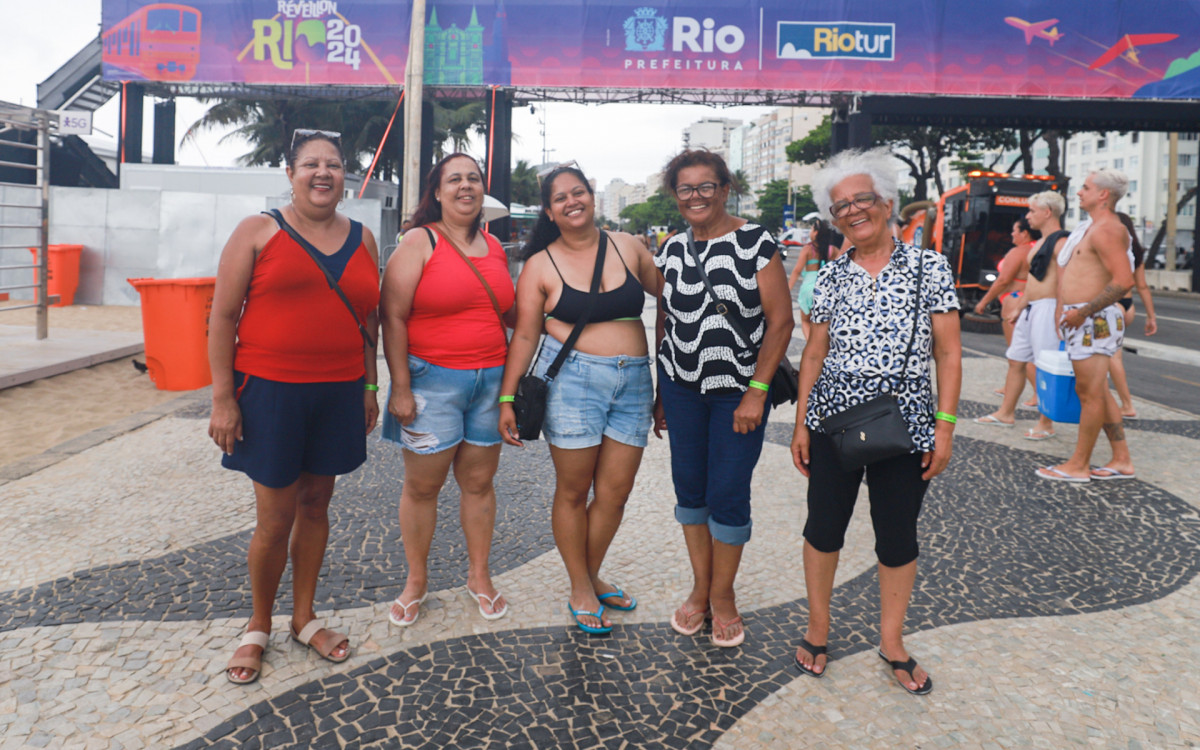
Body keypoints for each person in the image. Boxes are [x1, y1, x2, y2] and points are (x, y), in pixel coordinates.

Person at [209, 129, 380, 684]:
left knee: (315, 505)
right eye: (311, 164)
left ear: (345, 175)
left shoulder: (364, 237)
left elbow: (370, 321)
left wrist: (369, 385)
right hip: (271, 393)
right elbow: (223, 316)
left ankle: (303, 618)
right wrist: (223, 398)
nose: (323, 173)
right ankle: (258, 624)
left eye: (333, 164)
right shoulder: (258, 230)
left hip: (337, 391)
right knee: (274, 517)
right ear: (290, 173)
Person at [791, 147, 962, 694]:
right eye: (841, 206)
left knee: (897, 536)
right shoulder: (831, 276)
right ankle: (819, 628)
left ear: (886, 202)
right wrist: (800, 423)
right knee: (823, 528)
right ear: (833, 217)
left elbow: (950, 353)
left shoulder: (928, 266)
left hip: (905, 425)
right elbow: (814, 352)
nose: (853, 210)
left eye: (862, 198)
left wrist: (946, 426)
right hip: (831, 423)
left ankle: (893, 641)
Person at [498, 164, 659, 634]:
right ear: (549, 210)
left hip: (635, 382)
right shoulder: (541, 265)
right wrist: (507, 397)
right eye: (561, 197)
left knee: (616, 491)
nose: (573, 201)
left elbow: (674, 296)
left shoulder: (629, 246)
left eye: (579, 191)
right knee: (573, 491)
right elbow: (526, 334)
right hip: (573, 383)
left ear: (592, 196)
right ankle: (580, 585)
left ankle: (590, 571)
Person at [653, 149, 794, 648]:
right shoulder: (670, 250)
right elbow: (665, 319)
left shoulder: (756, 241)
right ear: (676, 194)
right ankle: (700, 588)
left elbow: (781, 321)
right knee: (690, 489)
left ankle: (724, 595)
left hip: (738, 391)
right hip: (682, 387)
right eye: (686, 188)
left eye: (706, 186)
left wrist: (757, 392)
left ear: (724, 188)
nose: (696, 197)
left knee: (729, 490)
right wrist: (660, 392)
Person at [379, 153, 513, 627]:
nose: (465, 187)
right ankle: (416, 580)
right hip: (431, 382)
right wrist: (400, 387)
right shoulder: (419, 241)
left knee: (479, 484)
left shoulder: (494, 247)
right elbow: (391, 314)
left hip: (490, 383)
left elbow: (508, 310)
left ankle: (479, 575)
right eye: (454, 179)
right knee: (422, 487)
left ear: (483, 190)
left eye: (473, 179)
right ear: (437, 191)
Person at [1037, 169, 1135, 482]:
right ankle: (1121, 459)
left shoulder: (1106, 229)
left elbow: (1124, 280)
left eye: (1086, 187)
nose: (1079, 192)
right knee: (1097, 393)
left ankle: (1079, 465)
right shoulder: (1093, 228)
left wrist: (1083, 312)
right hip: (1086, 318)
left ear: (1103, 195)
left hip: (1094, 319)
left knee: (1089, 393)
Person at [975, 191, 1067, 440]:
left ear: (1047, 212)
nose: (1028, 216)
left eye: (1032, 211)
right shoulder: (1039, 244)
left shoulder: (1061, 243)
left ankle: (1045, 423)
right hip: (1031, 306)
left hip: (1048, 308)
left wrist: (1060, 311)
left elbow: (1064, 282)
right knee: (1016, 360)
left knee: (1043, 365)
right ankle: (1006, 413)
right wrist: (1020, 306)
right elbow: (1035, 280)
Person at [1109, 213, 1158, 419]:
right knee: (1109, 355)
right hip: (1128, 306)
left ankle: (1127, 404)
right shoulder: (1135, 253)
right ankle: (1112, 401)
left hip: (1112, 304)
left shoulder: (1109, 250)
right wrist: (1151, 316)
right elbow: (1143, 286)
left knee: (1111, 357)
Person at [975, 218, 1039, 348]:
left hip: (1014, 299)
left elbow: (1003, 281)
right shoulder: (1040, 248)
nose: (1011, 234)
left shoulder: (1018, 252)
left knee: (1016, 354)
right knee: (1031, 352)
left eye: (1015, 230)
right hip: (1033, 299)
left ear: (1024, 233)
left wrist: (984, 302)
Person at [787, 220, 834, 340]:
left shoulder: (808, 249)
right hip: (825, 289)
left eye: (812, 229)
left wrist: (788, 291)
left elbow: (797, 271)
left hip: (808, 289)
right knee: (822, 323)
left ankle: (810, 344)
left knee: (805, 321)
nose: (810, 231)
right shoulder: (831, 250)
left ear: (816, 233)